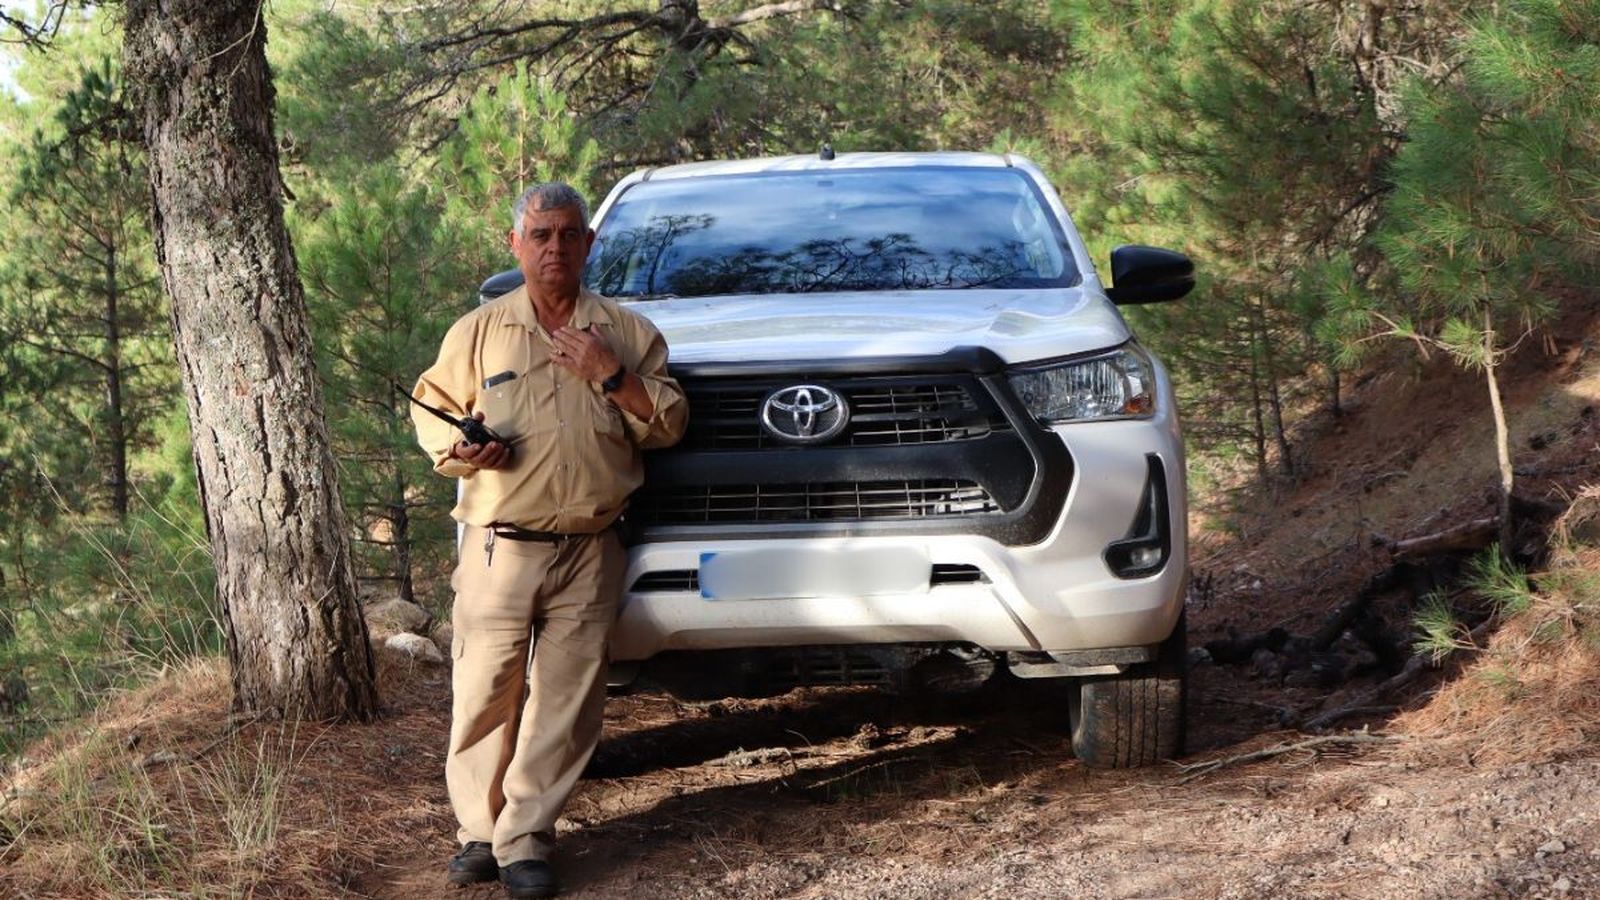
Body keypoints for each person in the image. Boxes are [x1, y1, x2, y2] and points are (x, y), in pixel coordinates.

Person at [410, 183, 687, 899]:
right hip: (498, 548)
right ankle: (480, 833)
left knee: (565, 705)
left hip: (591, 548)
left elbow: (669, 422)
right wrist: (463, 451)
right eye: (540, 234)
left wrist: (611, 375)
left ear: (589, 244)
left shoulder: (626, 331)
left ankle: (526, 837)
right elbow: (434, 410)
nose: (554, 247)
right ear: (516, 244)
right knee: (484, 692)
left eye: (568, 234)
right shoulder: (479, 331)